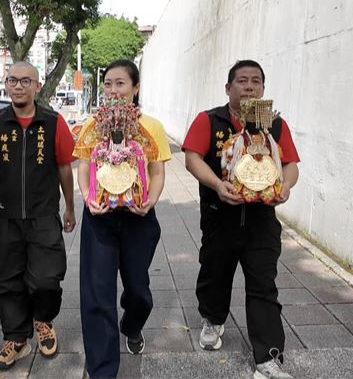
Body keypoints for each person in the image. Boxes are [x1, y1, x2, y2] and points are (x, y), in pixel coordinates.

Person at [182, 60, 300, 379]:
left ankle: (268, 357)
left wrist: (285, 187)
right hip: (221, 217)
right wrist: (218, 185)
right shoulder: (211, 120)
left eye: (256, 81)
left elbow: (290, 165)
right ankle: (213, 319)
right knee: (215, 274)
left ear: (263, 88)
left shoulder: (274, 125)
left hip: (262, 221)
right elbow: (191, 157)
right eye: (242, 81)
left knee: (263, 285)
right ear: (228, 87)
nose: (249, 86)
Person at [0, 61, 76, 369]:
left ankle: (43, 320)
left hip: (44, 215)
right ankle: (15, 338)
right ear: (6, 84)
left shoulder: (54, 122)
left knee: (46, 278)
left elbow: (64, 168)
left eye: (25, 81)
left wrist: (69, 206)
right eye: (13, 80)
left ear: (37, 86)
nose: (18, 86)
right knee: (9, 280)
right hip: (7, 217)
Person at [74, 60, 172, 379]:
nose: (113, 90)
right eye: (108, 84)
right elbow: (84, 167)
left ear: (135, 88)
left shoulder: (151, 127)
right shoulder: (93, 125)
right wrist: (89, 199)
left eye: (120, 84)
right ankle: (102, 370)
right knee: (97, 294)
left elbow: (157, 171)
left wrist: (151, 201)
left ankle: (132, 324)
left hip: (138, 219)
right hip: (100, 220)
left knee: (138, 289)